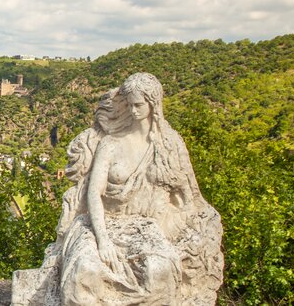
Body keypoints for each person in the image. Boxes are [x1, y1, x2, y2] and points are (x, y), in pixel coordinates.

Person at [57, 73, 222, 305]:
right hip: (101, 224)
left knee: (159, 269)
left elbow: (188, 196)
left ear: (153, 104)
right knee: (87, 268)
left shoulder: (169, 145)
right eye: (129, 105)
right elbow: (94, 192)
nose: (133, 111)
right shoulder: (111, 143)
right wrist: (103, 240)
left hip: (145, 228)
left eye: (139, 105)